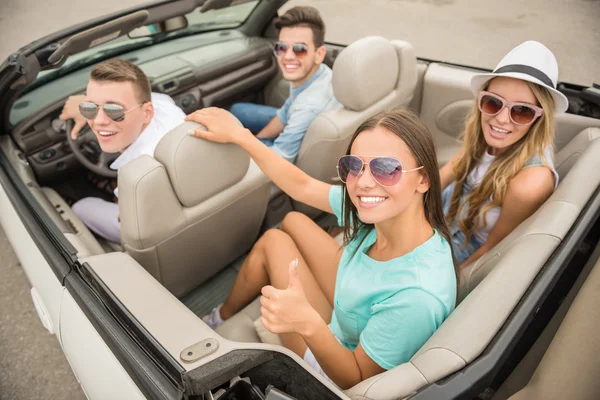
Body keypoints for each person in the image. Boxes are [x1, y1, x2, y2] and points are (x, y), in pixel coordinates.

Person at [185, 108, 457, 389]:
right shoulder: (386, 216)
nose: (363, 183)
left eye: (386, 168)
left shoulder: (416, 298)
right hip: (350, 311)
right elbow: (301, 186)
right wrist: (242, 137)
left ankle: (217, 320)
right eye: (354, 166)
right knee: (291, 221)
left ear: (423, 179)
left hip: (336, 365)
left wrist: (306, 322)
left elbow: (356, 380)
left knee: (272, 242)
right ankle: (221, 317)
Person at [440, 41, 568, 269]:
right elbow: (446, 175)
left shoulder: (528, 184)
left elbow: (491, 251)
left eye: (522, 110)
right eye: (493, 102)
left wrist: (450, 282)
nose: (500, 118)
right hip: (441, 219)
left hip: (459, 253)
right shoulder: (484, 135)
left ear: (540, 118)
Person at [59, 59, 186, 243]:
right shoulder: (163, 105)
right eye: (89, 108)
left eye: (114, 110)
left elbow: (135, 224)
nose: (99, 121)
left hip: (154, 228)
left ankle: (108, 193)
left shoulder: (138, 175)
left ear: (147, 113)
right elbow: (148, 99)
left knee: (81, 207)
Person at [229, 6, 340, 163]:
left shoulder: (309, 106)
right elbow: (285, 113)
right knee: (237, 110)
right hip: (298, 122)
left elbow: (280, 159)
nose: (287, 57)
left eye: (299, 49)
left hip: (286, 156)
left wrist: (242, 142)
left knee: (230, 149)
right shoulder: (318, 73)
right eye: (281, 47)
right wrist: (258, 138)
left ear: (319, 54)